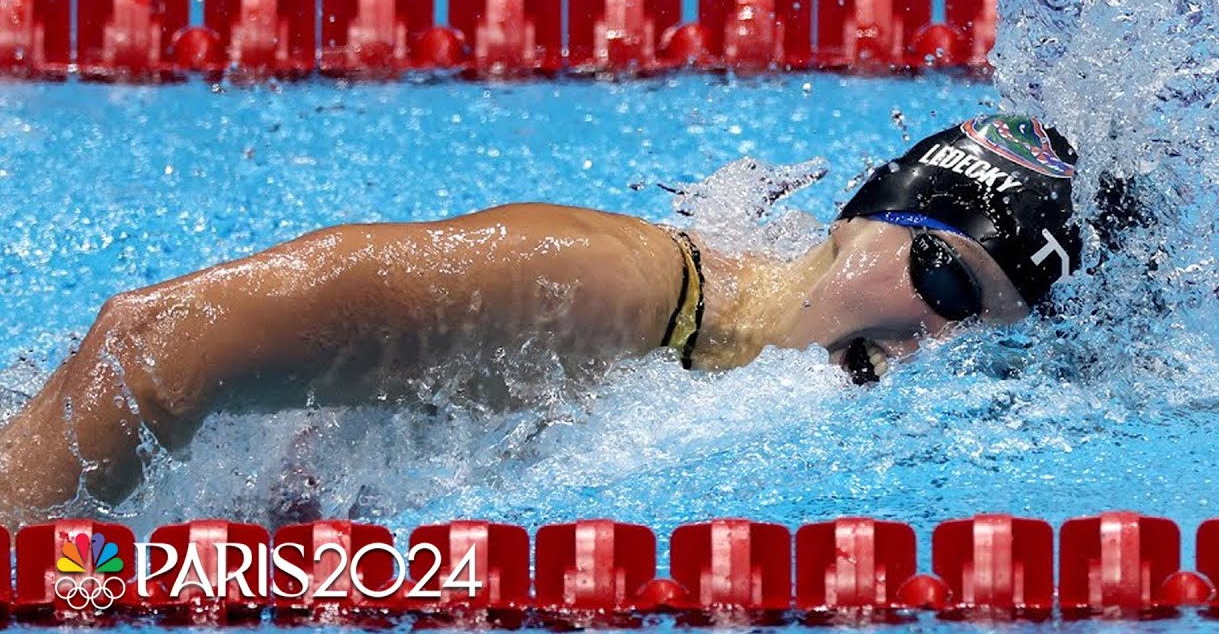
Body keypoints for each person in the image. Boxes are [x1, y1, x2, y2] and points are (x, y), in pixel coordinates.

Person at [0, 114, 1081, 525]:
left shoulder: (724, 342)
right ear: (861, 220)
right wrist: (48, 576)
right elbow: (155, 341)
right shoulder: (597, 285)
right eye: (943, 283)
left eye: (980, 331)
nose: (935, 340)